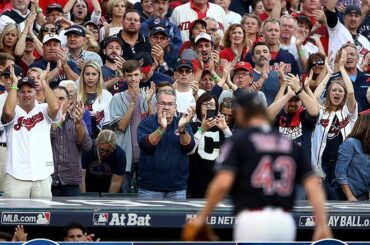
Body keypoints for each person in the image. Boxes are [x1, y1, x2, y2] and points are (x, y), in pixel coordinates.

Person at [188, 92, 332, 241]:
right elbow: (313, 184)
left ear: (242, 111)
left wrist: (203, 216)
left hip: (253, 219)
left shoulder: (240, 141)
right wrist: (322, 224)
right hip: (284, 221)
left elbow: (222, 183)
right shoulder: (288, 143)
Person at [1, 65, 59, 197]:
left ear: (35, 92)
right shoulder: (13, 111)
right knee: (14, 216)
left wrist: (44, 82)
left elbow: (55, 108)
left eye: (30, 91)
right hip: (16, 175)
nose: (26, 94)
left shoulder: (43, 109)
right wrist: (15, 84)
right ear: (17, 94)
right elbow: (8, 113)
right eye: (22, 91)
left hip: (42, 174)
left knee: (43, 215)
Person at [311, 49, 358, 199]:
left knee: (339, 201)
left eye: (340, 91)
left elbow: (351, 93)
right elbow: (314, 96)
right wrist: (329, 74)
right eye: (334, 90)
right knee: (323, 202)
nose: (337, 93)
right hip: (322, 164)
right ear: (329, 93)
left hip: (343, 164)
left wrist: (341, 68)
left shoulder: (349, 112)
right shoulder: (321, 111)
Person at [137, 89, 195, 199]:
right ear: (156, 106)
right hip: (149, 188)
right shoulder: (147, 122)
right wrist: (161, 129)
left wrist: (182, 129)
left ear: (175, 107)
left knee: (177, 217)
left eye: (170, 104)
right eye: (163, 103)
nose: (166, 107)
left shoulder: (182, 123)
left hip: (177, 187)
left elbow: (189, 148)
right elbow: (146, 146)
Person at [109, 60, 151, 193]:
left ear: (141, 76)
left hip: (145, 154)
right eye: (129, 75)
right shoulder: (117, 98)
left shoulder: (148, 97)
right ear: (124, 76)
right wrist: (132, 104)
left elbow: (153, 123)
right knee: (124, 198)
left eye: (136, 74)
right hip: (125, 154)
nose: (133, 79)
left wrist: (149, 102)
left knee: (145, 195)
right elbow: (121, 126)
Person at [187, 92, 232, 198]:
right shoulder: (192, 126)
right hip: (196, 183)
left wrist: (225, 129)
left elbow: (235, 149)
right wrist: (202, 129)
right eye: (205, 104)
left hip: (218, 184)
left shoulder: (221, 127)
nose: (209, 107)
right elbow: (189, 150)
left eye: (212, 105)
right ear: (199, 107)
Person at [51, 86, 92, 196]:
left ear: (69, 101)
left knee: (71, 214)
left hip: (71, 180)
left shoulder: (77, 120)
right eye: (54, 99)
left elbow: (87, 146)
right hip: (48, 180)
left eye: (61, 98)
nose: (58, 102)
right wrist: (58, 122)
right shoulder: (44, 120)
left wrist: (78, 125)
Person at [335, 113, 370, 201]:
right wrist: (350, 196)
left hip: (363, 196)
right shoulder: (350, 143)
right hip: (345, 196)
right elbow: (340, 172)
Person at [82, 129, 126, 194]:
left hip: (108, 186)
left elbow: (116, 182)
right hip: (88, 185)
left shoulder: (119, 154)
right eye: (101, 149)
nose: (104, 153)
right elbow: (81, 176)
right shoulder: (88, 149)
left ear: (113, 148)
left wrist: (108, 200)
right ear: (97, 144)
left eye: (108, 151)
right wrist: (84, 197)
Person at [77, 61, 112, 139]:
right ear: (82, 76)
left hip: (101, 139)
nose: (90, 78)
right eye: (87, 74)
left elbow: (109, 121)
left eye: (94, 74)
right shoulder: (76, 95)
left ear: (99, 76)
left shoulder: (106, 95)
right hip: (79, 138)